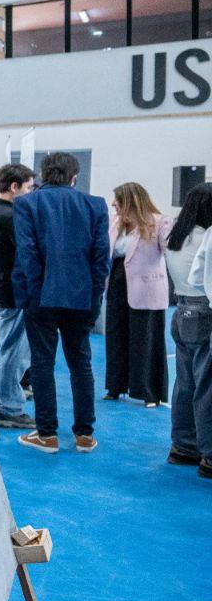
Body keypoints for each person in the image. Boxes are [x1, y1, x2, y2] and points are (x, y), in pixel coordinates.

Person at [12, 153, 111, 454]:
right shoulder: (95, 205)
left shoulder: (26, 204)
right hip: (82, 297)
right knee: (81, 363)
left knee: (42, 363)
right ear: (74, 177)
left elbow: (28, 253)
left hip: (41, 297)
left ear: (43, 174)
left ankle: (47, 434)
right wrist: (95, 296)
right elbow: (101, 257)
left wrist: (33, 294)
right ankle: (84, 434)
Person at [0, 163, 37, 429]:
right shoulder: (14, 217)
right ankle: (10, 407)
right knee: (13, 351)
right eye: (28, 188)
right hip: (13, 293)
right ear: (14, 187)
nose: (31, 193)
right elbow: (27, 255)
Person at [104, 182, 172, 407]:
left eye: (117, 201)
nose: (113, 204)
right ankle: (115, 387)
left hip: (147, 288)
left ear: (130, 201)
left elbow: (171, 250)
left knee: (146, 339)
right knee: (115, 336)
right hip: (117, 283)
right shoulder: (114, 223)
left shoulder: (160, 222)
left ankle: (150, 393)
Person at [163, 183, 212, 474]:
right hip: (204, 311)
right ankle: (209, 453)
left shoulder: (176, 236)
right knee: (206, 385)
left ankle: (184, 446)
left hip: (181, 311)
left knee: (185, 383)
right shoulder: (206, 238)